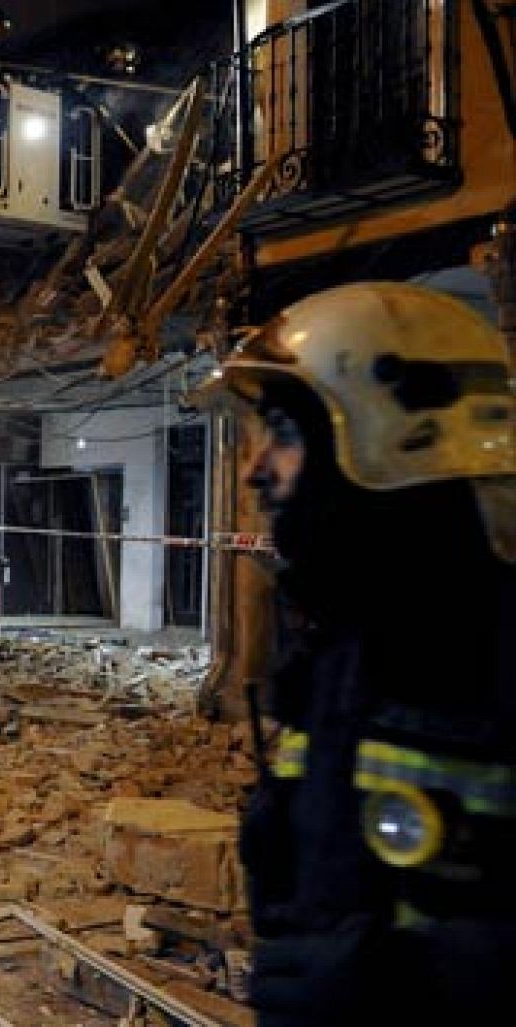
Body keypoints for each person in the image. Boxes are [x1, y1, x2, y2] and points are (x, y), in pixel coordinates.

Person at [195, 281, 516, 1023]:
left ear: (385, 434)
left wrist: (417, 982)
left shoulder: (492, 644)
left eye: (285, 432)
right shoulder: (349, 643)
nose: (256, 468)